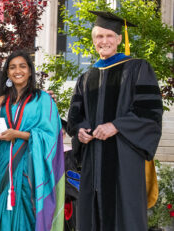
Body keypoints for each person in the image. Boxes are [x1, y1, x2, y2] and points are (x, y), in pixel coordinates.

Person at [67, 11, 163, 231]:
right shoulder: (86, 78)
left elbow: (150, 113)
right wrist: (80, 131)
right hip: (93, 161)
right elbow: (75, 114)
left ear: (120, 39)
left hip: (124, 159)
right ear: (93, 41)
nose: (104, 41)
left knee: (124, 214)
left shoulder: (138, 69)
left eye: (109, 36)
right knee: (92, 215)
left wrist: (116, 126)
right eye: (99, 37)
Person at [0, 50, 65, 231]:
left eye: (23, 66)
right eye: (12, 67)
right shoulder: (0, 101)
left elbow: (51, 135)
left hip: (31, 164)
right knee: (5, 207)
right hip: (3, 162)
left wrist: (17, 134)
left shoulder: (43, 98)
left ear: (30, 71)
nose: (18, 71)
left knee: (28, 209)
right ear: (7, 73)